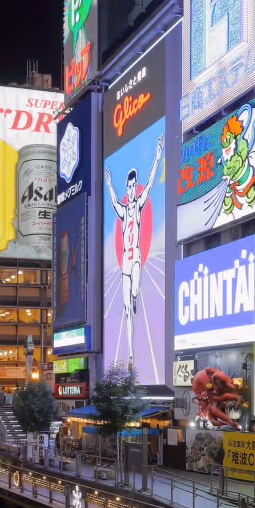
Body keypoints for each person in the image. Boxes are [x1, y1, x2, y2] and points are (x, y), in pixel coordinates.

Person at [103, 132, 164, 367]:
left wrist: (157, 157)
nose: (130, 189)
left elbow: (149, 184)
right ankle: (129, 353)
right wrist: (109, 183)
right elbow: (112, 202)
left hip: (135, 255)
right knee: (127, 309)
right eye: (128, 186)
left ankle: (136, 298)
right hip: (125, 262)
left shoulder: (137, 205)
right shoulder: (122, 209)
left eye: (131, 186)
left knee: (135, 292)